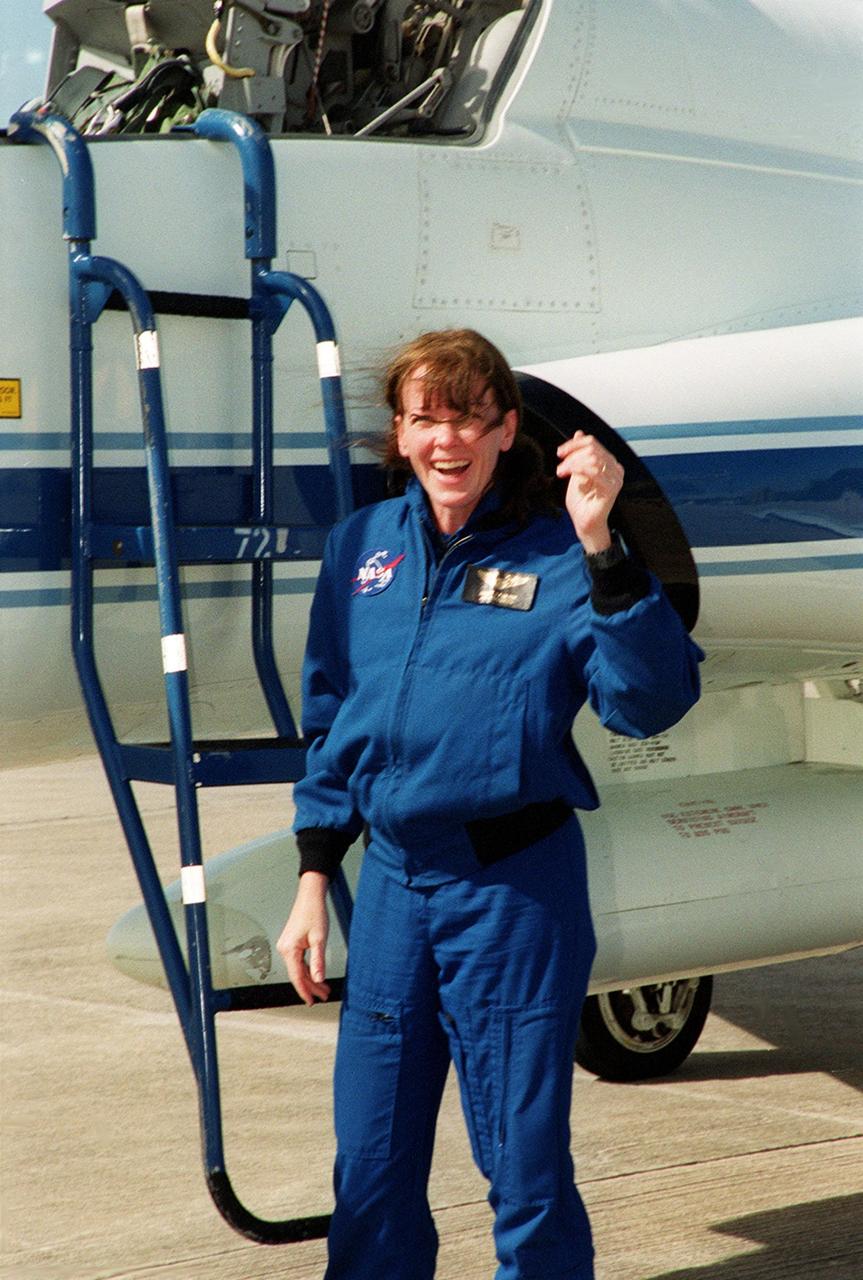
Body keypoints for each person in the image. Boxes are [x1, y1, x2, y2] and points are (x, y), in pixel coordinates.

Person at [277, 328, 702, 1280]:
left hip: (512, 891)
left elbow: (649, 703)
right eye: (427, 418)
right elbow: (333, 717)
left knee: (523, 1169)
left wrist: (602, 543)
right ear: (399, 432)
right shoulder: (361, 551)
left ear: (508, 429)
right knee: (373, 1167)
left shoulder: (562, 553)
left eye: (470, 417)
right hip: (391, 888)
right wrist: (313, 871)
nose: (447, 441)